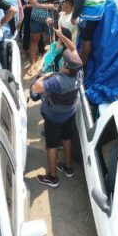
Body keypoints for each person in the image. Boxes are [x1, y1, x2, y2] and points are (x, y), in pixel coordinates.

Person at [31, 50, 83, 188]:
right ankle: (68, 168)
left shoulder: (57, 81)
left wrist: (43, 77)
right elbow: (74, 54)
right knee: (67, 139)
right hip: (70, 113)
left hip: (54, 117)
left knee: (52, 145)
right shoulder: (79, 73)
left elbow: (36, 89)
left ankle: (52, 178)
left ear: (65, 65)